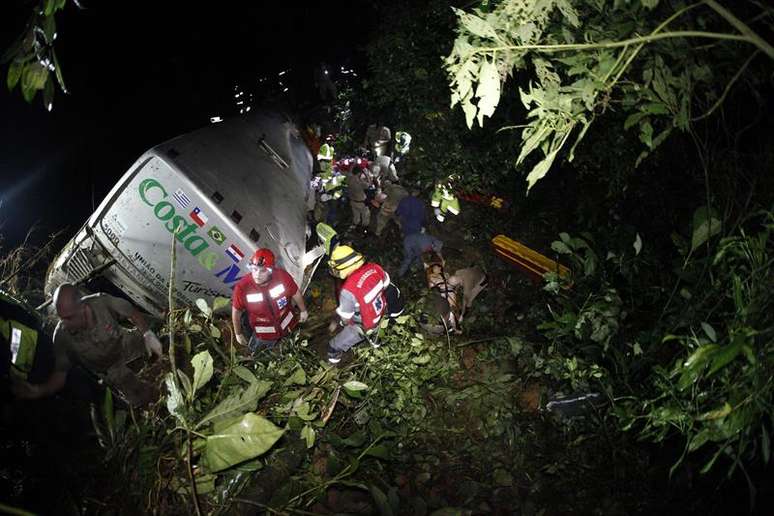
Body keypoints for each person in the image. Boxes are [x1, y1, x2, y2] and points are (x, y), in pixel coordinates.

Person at [11, 283, 163, 407]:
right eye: (61, 317)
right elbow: (60, 374)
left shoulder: (102, 302)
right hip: (113, 371)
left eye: (69, 317)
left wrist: (147, 334)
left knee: (166, 354)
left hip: (127, 344)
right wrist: (39, 390)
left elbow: (132, 313)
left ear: (82, 306)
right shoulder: (62, 337)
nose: (65, 323)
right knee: (148, 399)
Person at [231, 248, 308, 356]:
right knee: (258, 355)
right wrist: (238, 333)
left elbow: (295, 293)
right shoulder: (243, 287)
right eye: (254, 269)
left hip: (288, 325)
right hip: (264, 334)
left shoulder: (282, 277)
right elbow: (236, 311)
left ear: (271, 270)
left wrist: (303, 310)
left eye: (263, 271)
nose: (257, 274)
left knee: (290, 348)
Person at [326, 245, 392, 364]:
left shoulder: (348, 290)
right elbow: (386, 284)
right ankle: (376, 346)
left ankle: (333, 366)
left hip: (363, 326)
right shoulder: (375, 267)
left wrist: (341, 323)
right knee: (377, 337)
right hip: (382, 315)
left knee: (333, 347)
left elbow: (346, 319)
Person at [346, 166, 372, 233]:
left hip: (353, 201)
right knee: (365, 217)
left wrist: (354, 164)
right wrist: (366, 174)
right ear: (359, 173)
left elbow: (349, 172)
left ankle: (353, 228)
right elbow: (369, 185)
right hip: (361, 203)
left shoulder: (349, 179)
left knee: (356, 216)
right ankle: (364, 230)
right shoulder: (360, 182)